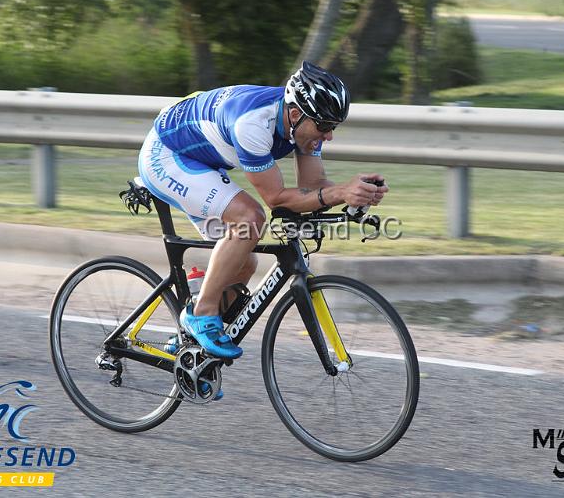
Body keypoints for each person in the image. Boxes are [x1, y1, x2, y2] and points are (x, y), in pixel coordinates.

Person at [138, 61, 388, 392]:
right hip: (167, 155)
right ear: (296, 113)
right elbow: (277, 199)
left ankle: (186, 348)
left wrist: (352, 196)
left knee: (243, 263)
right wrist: (338, 192)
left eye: (334, 127)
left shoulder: (304, 125)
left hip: (202, 160)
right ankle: (201, 314)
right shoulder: (253, 124)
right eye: (325, 125)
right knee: (249, 219)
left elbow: (312, 187)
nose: (328, 135)